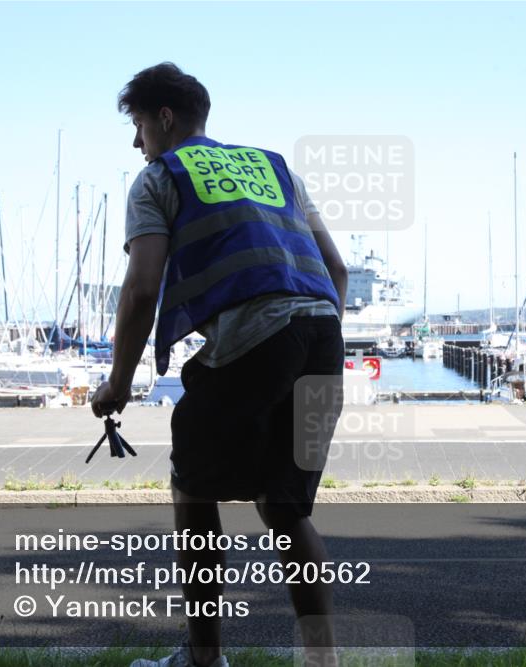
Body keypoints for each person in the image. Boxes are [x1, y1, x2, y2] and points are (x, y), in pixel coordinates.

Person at [91, 62, 348, 667]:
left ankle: (204, 661)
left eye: (136, 125)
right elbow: (335, 269)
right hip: (324, 338)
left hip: (260, 338)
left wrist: (119, 384)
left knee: (193, 494)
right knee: (286, 507)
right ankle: (323, 663)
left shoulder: (160, 178)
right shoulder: (274, 167)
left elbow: (140, 288)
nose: (136, 143)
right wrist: (307, 331)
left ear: (164, 118)